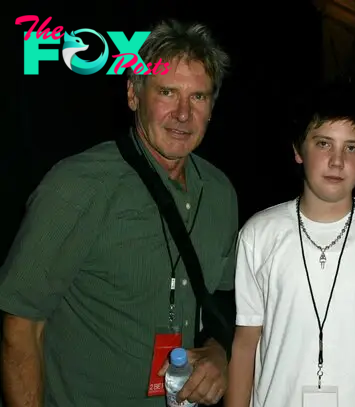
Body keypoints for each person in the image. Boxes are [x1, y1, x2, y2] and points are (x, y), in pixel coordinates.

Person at [0, 20, 237, 407]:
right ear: (133, 94)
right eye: (167, 92)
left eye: (198, 97)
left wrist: (218, 351)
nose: (182, 114)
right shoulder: (77, 185)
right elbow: (21, 325)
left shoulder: (221, 193)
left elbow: (225, 300)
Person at [225, 85, 355, 407]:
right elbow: (245, 343)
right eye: (324, 144)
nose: (337, 161)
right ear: (298, 150)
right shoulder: (258, 233)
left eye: (351, 148)